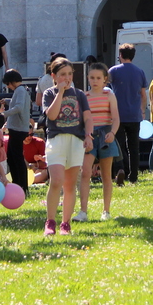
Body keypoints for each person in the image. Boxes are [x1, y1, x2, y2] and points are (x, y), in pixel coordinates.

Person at [42, 56, 93, 236]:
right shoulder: (49, 93)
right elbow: (52, 115)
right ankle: (50, 222)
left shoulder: (79, 94)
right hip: (56, 140)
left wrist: (88, 135)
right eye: (63, 74)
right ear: (54, 76)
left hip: (76, 141)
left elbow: (88, 118)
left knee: (70, 185)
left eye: (70, 74)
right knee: (56, 181)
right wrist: (60, 93)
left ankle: (66, 224)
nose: (67, 78)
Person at [79, 63, 120, 222]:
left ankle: (106, 211)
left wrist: (112, 133)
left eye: (98, 78)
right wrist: (86, 136)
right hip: (89, 136)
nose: (95, 81)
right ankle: (83, 211)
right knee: (85, 172)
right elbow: (82, 120)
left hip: (105, 136)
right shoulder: (84, 96)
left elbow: (115, 118)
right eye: (92, 77)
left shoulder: (109, 95)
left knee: (106, 175)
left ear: (105, 79)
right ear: (88, 78)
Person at [109, 43, 147, 185]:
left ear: (120, 55)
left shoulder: (113, 71)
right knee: (134, 147)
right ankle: (134, 175)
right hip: (135, 115)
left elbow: (106, 90)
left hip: (118, 115)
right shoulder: (140, 72)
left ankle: (120, 170)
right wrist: (142, 110)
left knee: (119, 146)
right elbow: (143, 95)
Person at [2, 69, 32, 193]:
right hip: (17, 128)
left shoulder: (20, 90)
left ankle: (22, 186)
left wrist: (3, 114)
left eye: (8, 84)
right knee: (11, 157)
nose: (8, 86)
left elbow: (19, 107)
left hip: (18, 129)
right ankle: (18, 184)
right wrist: (7, 101)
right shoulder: (21, 90)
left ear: (13, 81)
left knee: (17, 158)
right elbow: (19, 103)